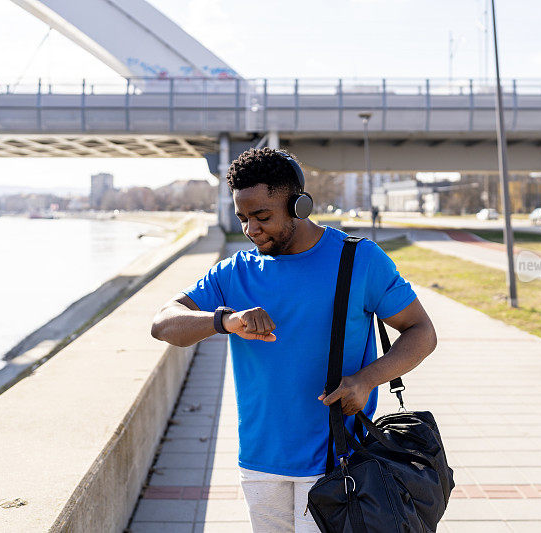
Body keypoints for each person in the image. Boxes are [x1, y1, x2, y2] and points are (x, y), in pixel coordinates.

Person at [150, 147, 437, 532]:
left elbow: (422, 331)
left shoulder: (359, 260)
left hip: (339, 463)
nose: (251, 230)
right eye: (243, 218)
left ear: (299, 205)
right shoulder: (234, 271)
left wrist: (367, 379)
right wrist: (226, 320)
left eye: (262, 217)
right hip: (258, 464)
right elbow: (164, 323)